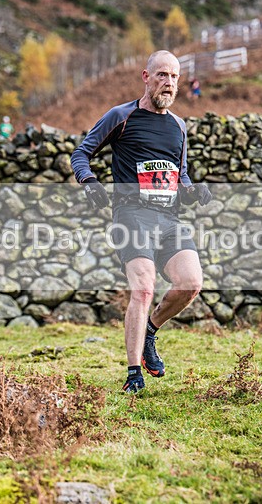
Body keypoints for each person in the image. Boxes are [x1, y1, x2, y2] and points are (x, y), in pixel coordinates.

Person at [70, 50, 212, 394]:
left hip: (168, 217)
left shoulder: (179, 127)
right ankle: (134, 372)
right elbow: (81, 154)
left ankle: (150, 330)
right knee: (144, 288)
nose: (169, 82)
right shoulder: (121, 116)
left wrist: (192, 191)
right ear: (146, 77)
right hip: (132, 215)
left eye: (175, 77)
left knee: (191, 283)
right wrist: (89, 183)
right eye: (162, 75)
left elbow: (182, 175)